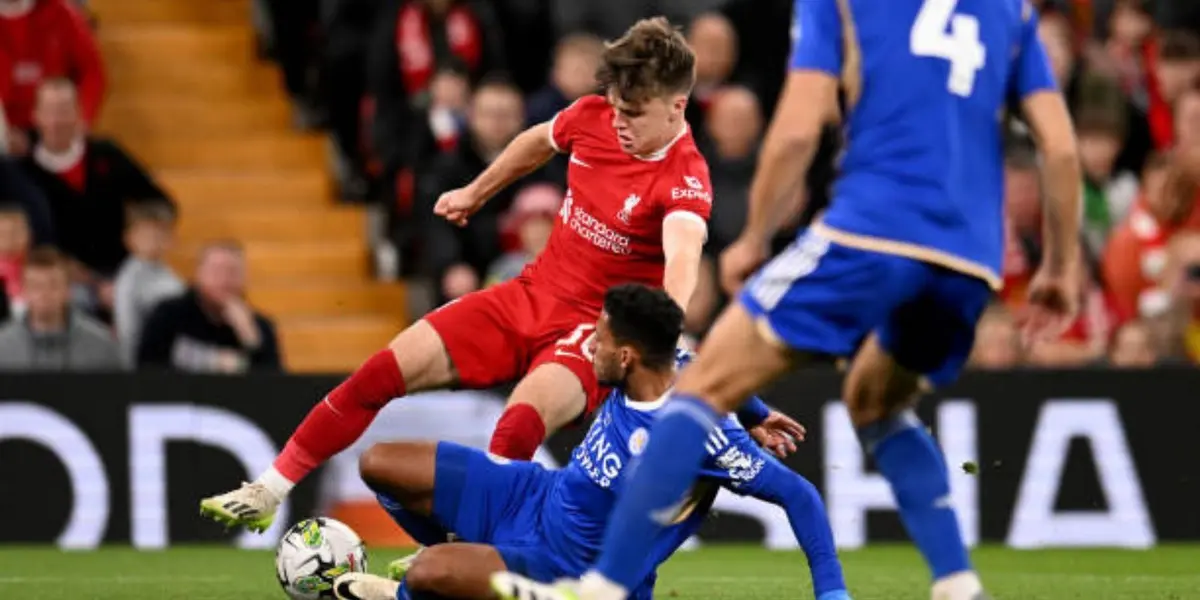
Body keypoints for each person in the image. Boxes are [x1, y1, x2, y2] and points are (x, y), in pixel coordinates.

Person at [493, 1, 1082, 600]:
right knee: (878, 404)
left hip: (869, 230)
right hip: (969, 257)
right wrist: (1061, 264)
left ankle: (603, 587)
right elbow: (1059, 148)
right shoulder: (1010, 12)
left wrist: (754, 237)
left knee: (696, 389)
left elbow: (799, 128)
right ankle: (956, 581)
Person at [200, 17, 711, 532]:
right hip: (527, 294)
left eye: (635, 114)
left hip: (590, 329)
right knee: (380, 372)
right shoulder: (594, 115)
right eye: (617, 107)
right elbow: (538, 140)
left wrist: (663, 333)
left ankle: (474, 558)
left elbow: (684, 258)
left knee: (516, 425)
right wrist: (475, 192)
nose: (620, 122)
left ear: (677, 106)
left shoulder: (685, 178)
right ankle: (270, 488)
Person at [331, 284, 850, 600]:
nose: (587, 345)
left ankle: (416, 589)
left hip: (569, 567)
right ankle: (461, 563)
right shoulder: (678, 362)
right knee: (380, 464)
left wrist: (831, 590)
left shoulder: (698, 433)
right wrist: (757, 413)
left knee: (426, 574)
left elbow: (799, 494)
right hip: (535, 495)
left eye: (598, 338)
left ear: (626, 356)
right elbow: (717, 370)